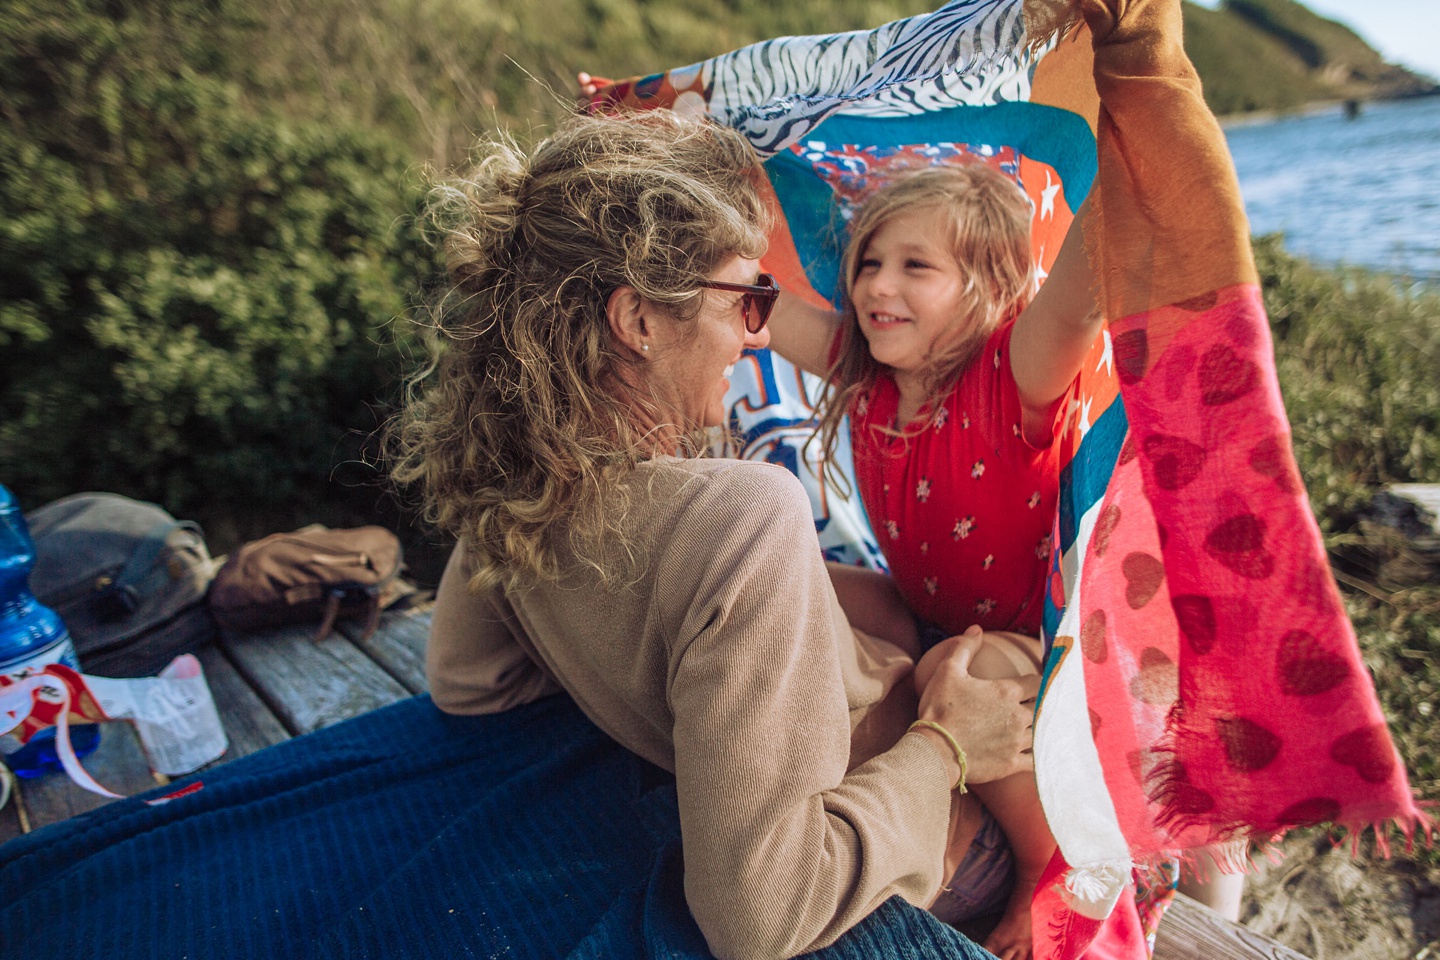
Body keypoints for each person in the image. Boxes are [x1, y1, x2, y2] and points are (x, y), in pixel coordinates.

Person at [389, 108, 1043, 960]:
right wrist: (947, 747)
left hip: (843, 739)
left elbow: (469, 683)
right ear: (639, 322)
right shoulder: (740, 515)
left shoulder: (518, 484)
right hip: (940, 846)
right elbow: (760, 920)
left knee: (876, 603)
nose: (759, 332)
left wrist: (652, 686)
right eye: (746, 299)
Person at [756, 161, 1103, 960]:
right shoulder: (867, 370)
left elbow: (1086, 292)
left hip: (1029, 645)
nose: (881, 285)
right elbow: (758, 309)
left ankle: (1040, 864)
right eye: (871, 262)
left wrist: (1135, 120)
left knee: (957, 669)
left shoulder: (1013, 377)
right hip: (930, 610)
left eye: (917, 267)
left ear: (986, 286)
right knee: (791, 577)